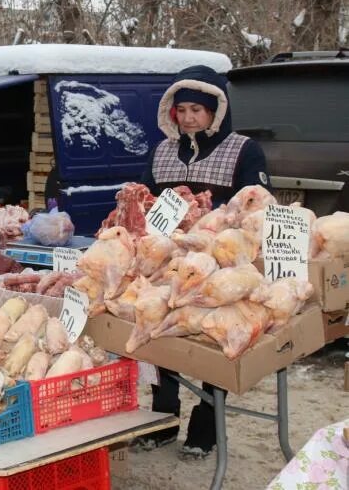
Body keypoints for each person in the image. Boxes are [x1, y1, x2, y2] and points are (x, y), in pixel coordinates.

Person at [136, 65, 270, 460]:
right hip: (168, 267)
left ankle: (206, 427)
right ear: (172, 113)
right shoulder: (161, 151)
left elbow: (258, 204)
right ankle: (163, 420)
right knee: (160, 336)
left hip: (222, 268)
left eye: (198, 108)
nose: (190, 116)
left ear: (217, 110)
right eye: (183, 110)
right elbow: (145, 202)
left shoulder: (244, 149)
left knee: (215, 343)